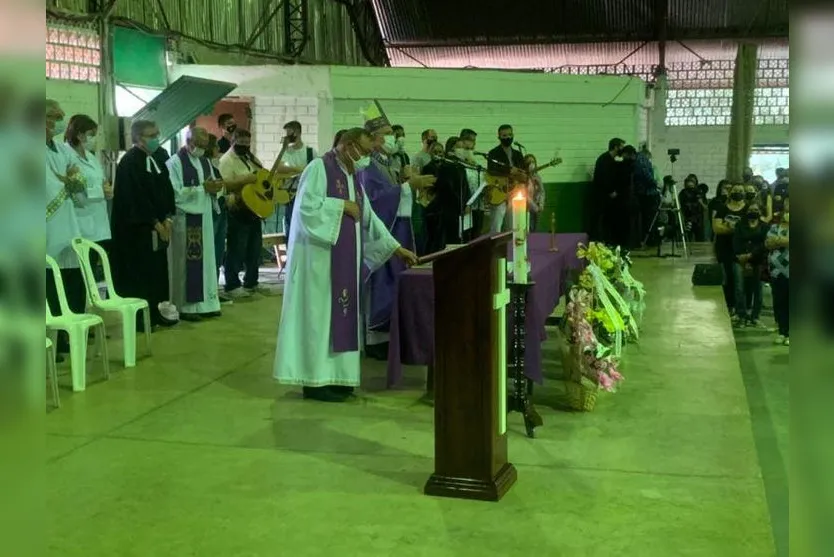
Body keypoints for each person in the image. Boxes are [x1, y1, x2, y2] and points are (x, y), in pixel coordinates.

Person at [273, 127, 419, 402]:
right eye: (363, 151)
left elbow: (369, 218)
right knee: (318, 318)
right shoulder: (318, 168)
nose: (365, 157)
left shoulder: (352, 176)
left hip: (342, 264)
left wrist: (397, 248)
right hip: (318, 263)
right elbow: (305, 209)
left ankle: (338, 377)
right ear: (347, 145)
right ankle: (315, 381)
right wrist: (340, 206)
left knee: (339, 317)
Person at [355, 103, 435, 359]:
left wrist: (408, 184)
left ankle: (390, 334)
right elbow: (375, 201)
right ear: (375, 139)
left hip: (397, 230)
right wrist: (408, 187)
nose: (393, 138)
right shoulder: (367, 166)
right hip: (380, 235)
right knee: (381, 282)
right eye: (388, 133)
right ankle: (375, 338)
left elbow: (393, 193)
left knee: (396, 281)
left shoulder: (390, 162)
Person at [110, 119, 178, 329]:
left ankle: (156, 312)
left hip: (157, 226)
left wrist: (167, 217)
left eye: (157, 134)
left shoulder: (157, 158)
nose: (156, 139)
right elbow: (134, 197)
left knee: (156, 272)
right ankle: (139, 318)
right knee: (140, 273)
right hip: (136, 229)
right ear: (138, 138)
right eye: (151, 135)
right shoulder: (130, 162)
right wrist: (154, 222)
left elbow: (165, 189)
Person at [165, 127, 224, 321]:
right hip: (186, 221)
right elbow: (174, 193)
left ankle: (208, 303)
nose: (200, 149)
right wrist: (202, 189)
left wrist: (216, 188)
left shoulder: (205, 162)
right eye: (197, 145)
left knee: (207, 262)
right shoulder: (174, 163)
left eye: (204, 146)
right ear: (188, 141)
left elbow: (215, 186)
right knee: (187, 264)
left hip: (204, 218)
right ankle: (187, 307)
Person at [46, 99, 86, 353]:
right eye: (54, 117)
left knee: (70, 280)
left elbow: (77, 174)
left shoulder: (62, 150)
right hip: (45, 225)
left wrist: (73, 180)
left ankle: (66, 336)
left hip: (68, 221)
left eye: (61, 116)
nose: (59, 122)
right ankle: (50, 339)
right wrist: (65, 183)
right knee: (48, 281)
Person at [217, 128, 269, 298]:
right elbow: (224, 184)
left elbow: (260, 176)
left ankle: (251, 282)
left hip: (254, 207)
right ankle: (232, 284)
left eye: (247, 143)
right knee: (237, 247)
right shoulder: (227, 160)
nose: (245, 146)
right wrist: (245, 180)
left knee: (254, 247)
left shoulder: (250, 158)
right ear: (233, 141)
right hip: (238, 209)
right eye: (241, 143)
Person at [63, 114, 113, 270]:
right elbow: (73, 189)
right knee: (78, 274)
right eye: (91, 135)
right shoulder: (66, 156)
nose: (94, 139)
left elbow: (102, 180)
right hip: (79, 224)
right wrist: (100, 191)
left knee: (91, 272)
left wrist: (107, 188)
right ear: (79, 135)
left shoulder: (91, 157)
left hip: (98, 224)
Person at [424, 137, 469, 253]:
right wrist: (459, 202)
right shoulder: (443, 167)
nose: (462, 150)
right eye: (459, 147)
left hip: (459, 207)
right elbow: (444, 188)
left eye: (463, 147)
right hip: (445, 209)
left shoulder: (460, 166)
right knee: (443, 239)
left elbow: (465, 187)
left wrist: (467, 203)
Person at [712, 183, 749, 315]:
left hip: (741, 250)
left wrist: (728, 227)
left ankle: (741, 311)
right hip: (723, 249)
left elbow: (750, 229)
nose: (737, 192)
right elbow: (717, 228)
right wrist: (736, 229)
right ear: (730, 192)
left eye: (740, 190)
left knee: (739, 281)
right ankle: (728, 308)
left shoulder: (748, 209)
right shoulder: (722, 208)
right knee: (726, 279)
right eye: (735, 190)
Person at [732, 202, 769, 328]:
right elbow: (736, 241)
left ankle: (755, 316)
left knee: (758, 290)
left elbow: (764, 244)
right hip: (739, 260)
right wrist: (741, 256)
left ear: (760, 211)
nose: (753, 211)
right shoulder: (740, 225)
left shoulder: (765, 226)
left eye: (756, 209)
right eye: (750, 209)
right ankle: (741, 315)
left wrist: (751, 256)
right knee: (739, 288)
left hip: (758, 261)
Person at [280, 120, 317, 239]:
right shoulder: (286, 152)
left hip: (307, 195)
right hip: (291, 195)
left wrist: (292, 170)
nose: (287, 137)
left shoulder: (310, 152)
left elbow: (315, 172)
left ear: (297, 133)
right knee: (291, 230)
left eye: (289, 133)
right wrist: (301, 169)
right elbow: (280, 168)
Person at [487, 124, 525, 233]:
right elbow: (491, 171)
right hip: (500, 191)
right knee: (496, 225)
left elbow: (523, 173)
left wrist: (524, 176)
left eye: (509, 134)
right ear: (499, 137)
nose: (507, 138)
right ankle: (494, 248)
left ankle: (511, 247)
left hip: (515, 192)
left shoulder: (518, 154)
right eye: (504, 135)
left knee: (513, 225)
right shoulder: (493, 153)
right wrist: (508, 171)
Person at [592, 137, 626, 244]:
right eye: (621, 147)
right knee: (601, 220)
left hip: (607, 196)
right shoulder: (604, 160)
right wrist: (611, 191)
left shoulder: (610, 160)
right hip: (602, 196)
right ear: (616, 147)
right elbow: (603, 178)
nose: (622, 150)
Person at [765, 196, 789, 345]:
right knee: (780, 302)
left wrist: (779, 241)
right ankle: (782, 331)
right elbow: (768, 243)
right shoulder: (775, 227)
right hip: (777, 271)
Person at [459, 128, 483, 236]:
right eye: (469, 140)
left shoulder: (476, 163)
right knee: (466, 235)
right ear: (462, 141)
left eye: (474, 141)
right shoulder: (458, 161)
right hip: (465, 206)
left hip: (478, 206)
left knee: (476, 236)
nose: (472, 143)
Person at [633, 144, 659, 244]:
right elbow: (646, 174)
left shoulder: (638, 159)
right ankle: (651, 240)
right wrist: (654, 182)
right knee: (651, 218)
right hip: (648, 193)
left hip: (642, 193)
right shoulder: (642, 159)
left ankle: (647, 239)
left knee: (646, 218)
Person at [678, 174, 706, 242]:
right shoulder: (683, 193)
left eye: (693, 181)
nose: (691, 183)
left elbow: (704, 207)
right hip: (688, 218)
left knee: (700, 238)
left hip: (698, 219)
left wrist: (700, 201)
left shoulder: (699, 192)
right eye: (690, 181)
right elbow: (681, 205)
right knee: (687, 238)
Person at [523, 154, 545, 232]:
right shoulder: (523, 178)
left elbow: (542, 191)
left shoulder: (537, 177)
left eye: (533, 161)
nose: (531, 164)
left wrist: (541, 203)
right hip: (525, 209)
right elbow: (524, 194)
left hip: (535, 209)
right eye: (529, 162)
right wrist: (534, 206)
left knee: (534, 230)